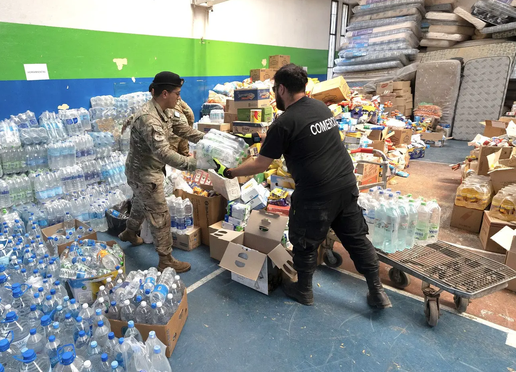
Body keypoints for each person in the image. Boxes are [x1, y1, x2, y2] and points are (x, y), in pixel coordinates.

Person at [213, 64, 391, 309]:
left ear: (282, 89)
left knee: (305, 241)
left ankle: (303, 290)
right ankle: (377, 291)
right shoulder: (319, 108)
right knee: (356, 238)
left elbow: (261, 165)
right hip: (345, 184)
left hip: (316, 193)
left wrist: (231, 172)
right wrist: (260, 138)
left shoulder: (284, 123)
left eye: (276, 89)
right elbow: (303, 135)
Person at [118, 71, 205, 273]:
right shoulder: (148, 118)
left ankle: (130, 233)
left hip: (145, 171)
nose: (179, 98)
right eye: (177, 93)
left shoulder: (164, 110)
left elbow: (183, 129)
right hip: (144, 174)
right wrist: (196, 164)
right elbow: (164, 153)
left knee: (139, 204)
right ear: (165, 93)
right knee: (161, 216)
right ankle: (165, 259)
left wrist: (211, 141)